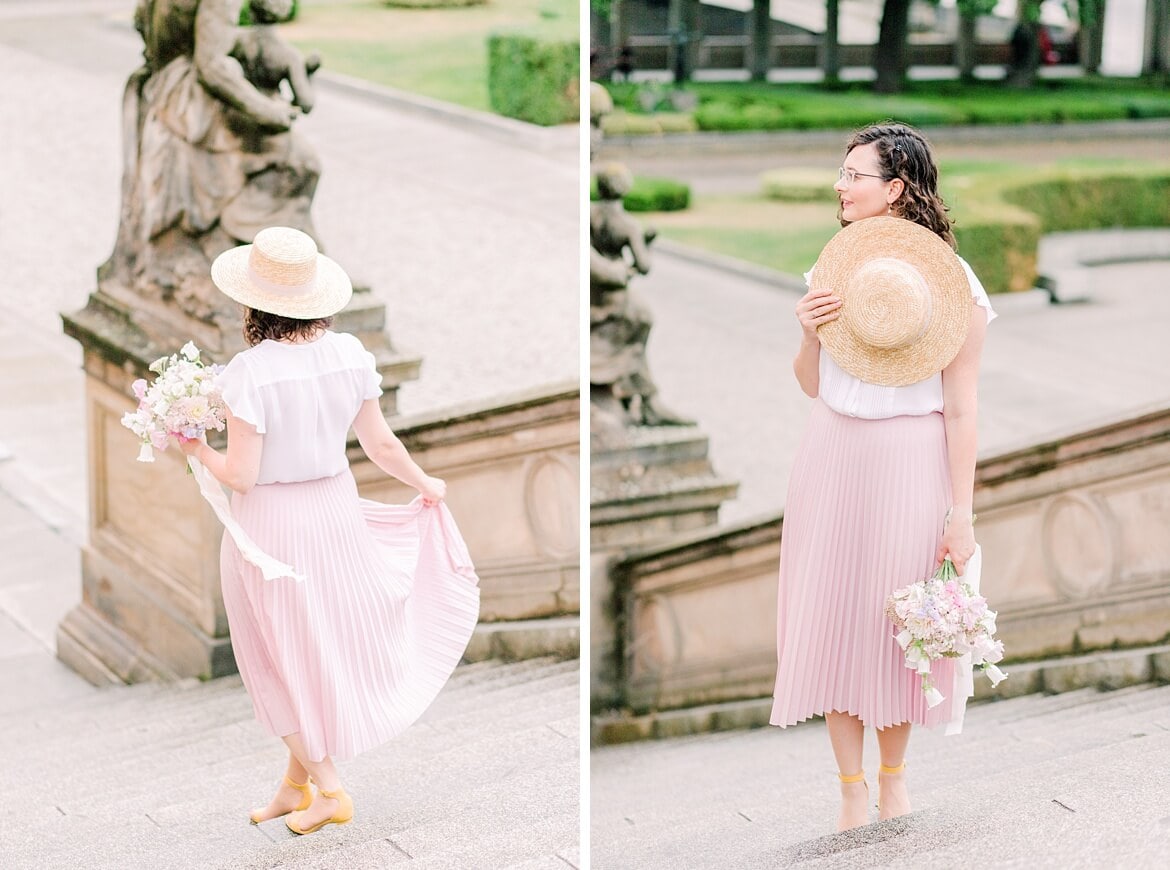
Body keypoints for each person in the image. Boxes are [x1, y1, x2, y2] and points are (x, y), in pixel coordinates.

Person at [179, 226, 480, 835]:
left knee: (275, 656)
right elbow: (380, 443)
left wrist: (194, 448)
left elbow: (241, 476)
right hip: (337, 512)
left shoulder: (249, 373)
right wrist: (426, 483)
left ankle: (332, 790)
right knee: (309, 648)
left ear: (253, 303)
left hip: (273, 527)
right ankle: (295, 786)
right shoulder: (350, 355)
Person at [769, 122, 996, 831]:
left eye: (853, 175)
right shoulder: (831, 271)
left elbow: (962, 409)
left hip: (910, 460)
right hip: (830, 454)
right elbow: (811, 385)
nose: (840, 186)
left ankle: (893, 779)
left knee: (896, 623)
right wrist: (807, 336)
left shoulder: (954, 288)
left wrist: (962, 513)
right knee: (832, 613)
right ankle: (848, 786)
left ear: (894, 189)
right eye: (841, 174)